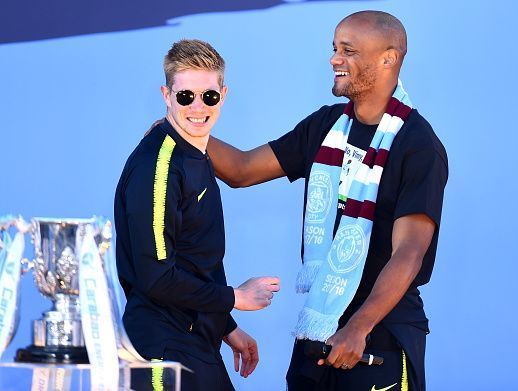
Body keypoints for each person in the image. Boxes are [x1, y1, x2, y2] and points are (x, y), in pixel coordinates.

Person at [207, 11, 448, 391]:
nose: (334, 59)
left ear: (389, 58)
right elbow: (241, 169)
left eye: (348, 50)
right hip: (318, 331)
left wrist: (358, 327)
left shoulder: (418, 145)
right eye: (334, 49)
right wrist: (177, 131)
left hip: (378, 336)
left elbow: (409, 253)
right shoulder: (325, 126)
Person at [114, 39, 280, 391]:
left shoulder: (198, 153)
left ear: (223, 93)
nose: (198, 107)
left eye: (209, 96)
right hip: (161, 351)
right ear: (166, 95)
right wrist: (234, 297)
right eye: (185, 96)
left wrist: (226, 326)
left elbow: (193, 260)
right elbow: (156, 277)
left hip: (196, 341)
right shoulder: (158, 166)